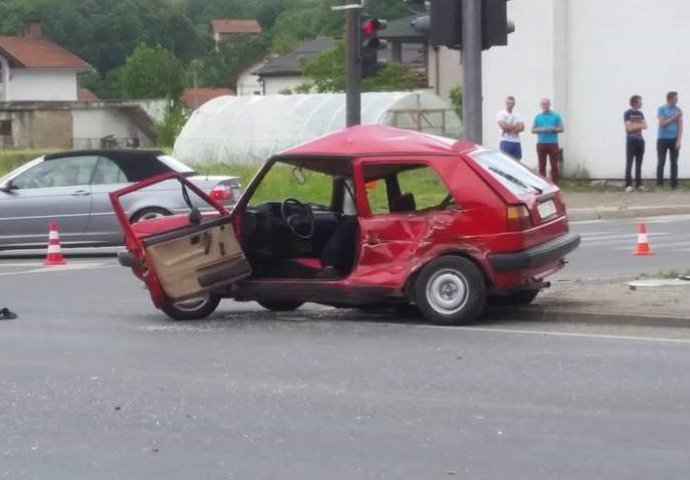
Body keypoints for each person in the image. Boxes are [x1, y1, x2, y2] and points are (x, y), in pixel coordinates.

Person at [531, 98, 564, 184]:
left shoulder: (556, 116)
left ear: (549, 105)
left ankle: (555, 183)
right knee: (542, 165)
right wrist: (542, 130)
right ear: (541, 106)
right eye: (543, 104)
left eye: (546, 104)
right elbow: (532, 130)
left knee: (554, 165)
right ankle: (543, 183)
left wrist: (553, 129)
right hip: (541, 144)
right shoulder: (538, 117)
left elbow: (561, 128)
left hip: (553, 143)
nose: (544, 106)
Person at [656, 91, 683, 189]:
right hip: (662, 139)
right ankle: (659, 184)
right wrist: (674, 117)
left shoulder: (678, 109)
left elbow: (680, 126)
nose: (677, 100)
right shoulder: (661, 109)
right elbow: (662, 124)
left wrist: (679, 140)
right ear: (670, 99)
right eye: (675, 98)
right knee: (661, 161)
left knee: (674, 162)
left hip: (674, 139)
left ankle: (674, 185)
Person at [624, 95, 647, 192]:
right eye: (640, 101)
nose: (641, 103)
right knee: (629, 163)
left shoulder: (641, 113)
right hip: (631, 141)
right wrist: (639, 125)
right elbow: (628, 128)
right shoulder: (627, 113)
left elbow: (645, 126)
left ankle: (639, 184)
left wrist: (635, 125)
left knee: (639, 163)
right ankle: (628, 185)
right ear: (634, 102)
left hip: (640, 141)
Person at [496, 96, 525, 160]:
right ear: (505, 103)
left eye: (512, 103)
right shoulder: (500, 114)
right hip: (505, 141)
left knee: (517, 161)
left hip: (516, 141)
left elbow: (522, 127)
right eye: (508, 103)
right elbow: (503, 127)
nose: (510, 105)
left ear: (514, 104)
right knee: (505, 160)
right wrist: (515, 125)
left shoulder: (518, 114)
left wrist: (509, 129)